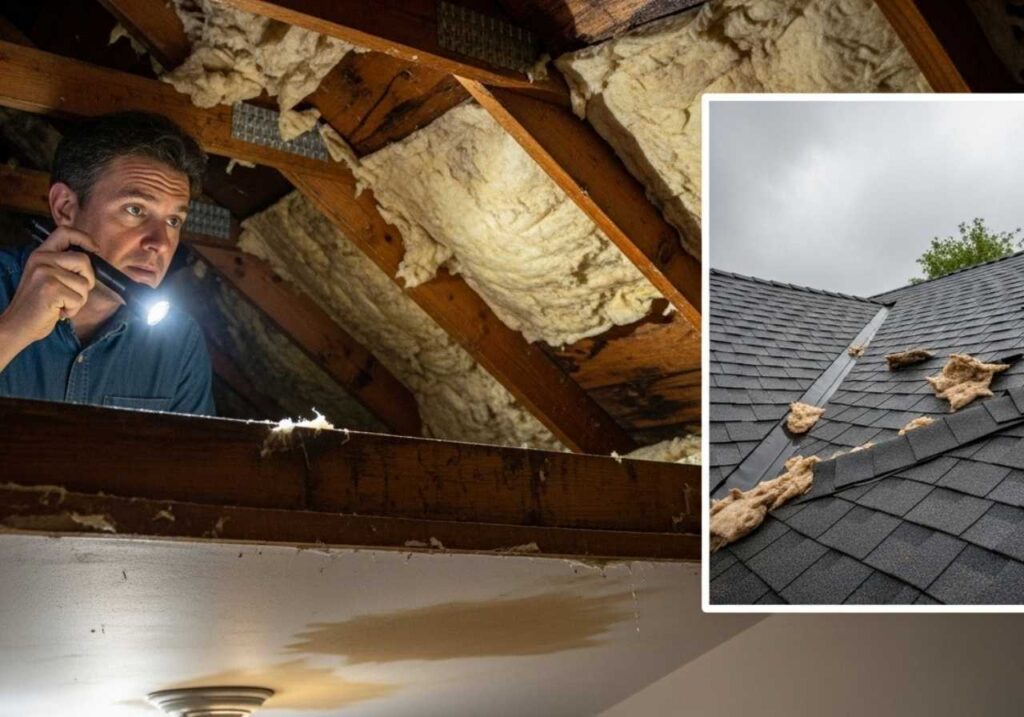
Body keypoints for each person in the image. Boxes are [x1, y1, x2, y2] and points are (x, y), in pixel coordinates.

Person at [0, 111, 215, 415]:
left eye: (173, 221)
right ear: (65, 208)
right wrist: (13, 329)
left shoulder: (179, 343)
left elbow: (197, 448)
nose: (161, 243)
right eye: (135, 210)